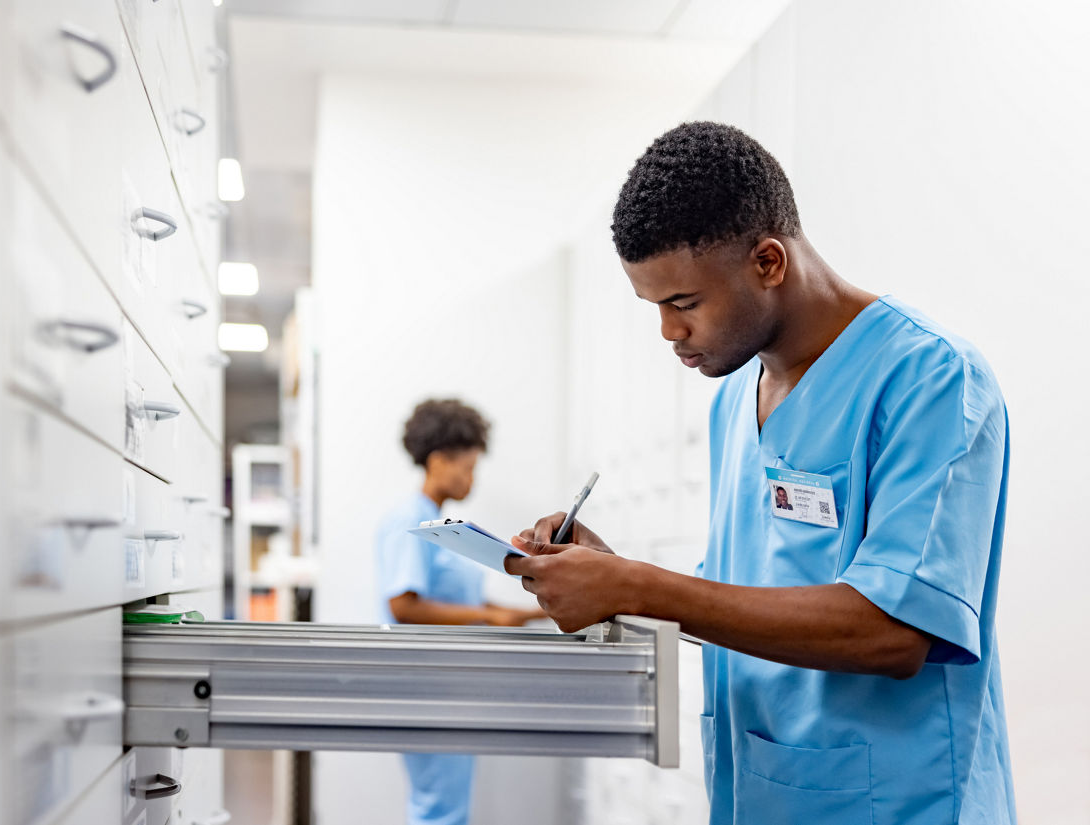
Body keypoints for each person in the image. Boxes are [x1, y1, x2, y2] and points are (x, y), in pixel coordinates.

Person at [505, 122, 1014, 824]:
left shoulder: (931, 380)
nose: (668, 332)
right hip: (761, 793)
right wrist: (612, 577)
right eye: (653, 306)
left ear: (768, 261)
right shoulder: (734, 406)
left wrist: (641, 586)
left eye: (683, 303)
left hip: (896, 802)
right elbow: (741, 607)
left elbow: (894, 631)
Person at [375, 398, 543, 825]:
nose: (472, 479)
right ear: (437, 462)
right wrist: (488, 619)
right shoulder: (410, 519)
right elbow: (404, 606)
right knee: (440, 811)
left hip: (445, 684)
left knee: (446, 806)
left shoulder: (437, 522)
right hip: (425, 689)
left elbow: (459, 604)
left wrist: (531, 613)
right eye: (467, 468)